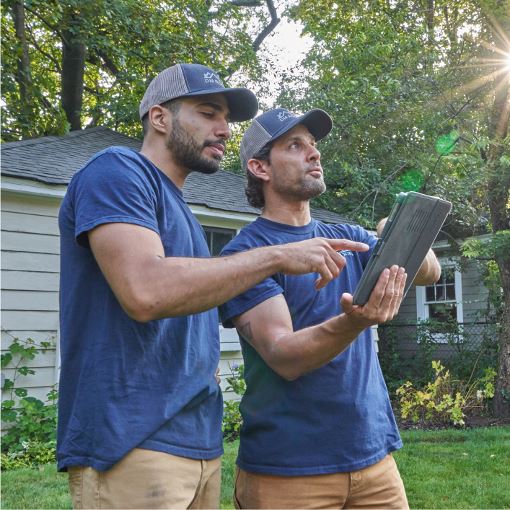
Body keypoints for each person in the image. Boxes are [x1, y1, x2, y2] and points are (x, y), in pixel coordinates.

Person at [57, 65, 369, 510]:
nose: (224, 129)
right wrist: (278, 256)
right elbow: (145, 292)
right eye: (208, 113)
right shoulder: (118, 170)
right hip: (131, 439)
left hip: (197, 444)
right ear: (160, 118)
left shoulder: (180, 210)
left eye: (226, 119)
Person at [220, 107, 442, 509]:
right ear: (260, 167)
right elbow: (283, 355)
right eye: (295, 145)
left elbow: (430, 272)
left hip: (375, 460)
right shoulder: (247, 254)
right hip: (287, 469)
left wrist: (401, 236)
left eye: (314, 145)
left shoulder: (347, 237)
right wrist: (354, 323)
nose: (314, 154)